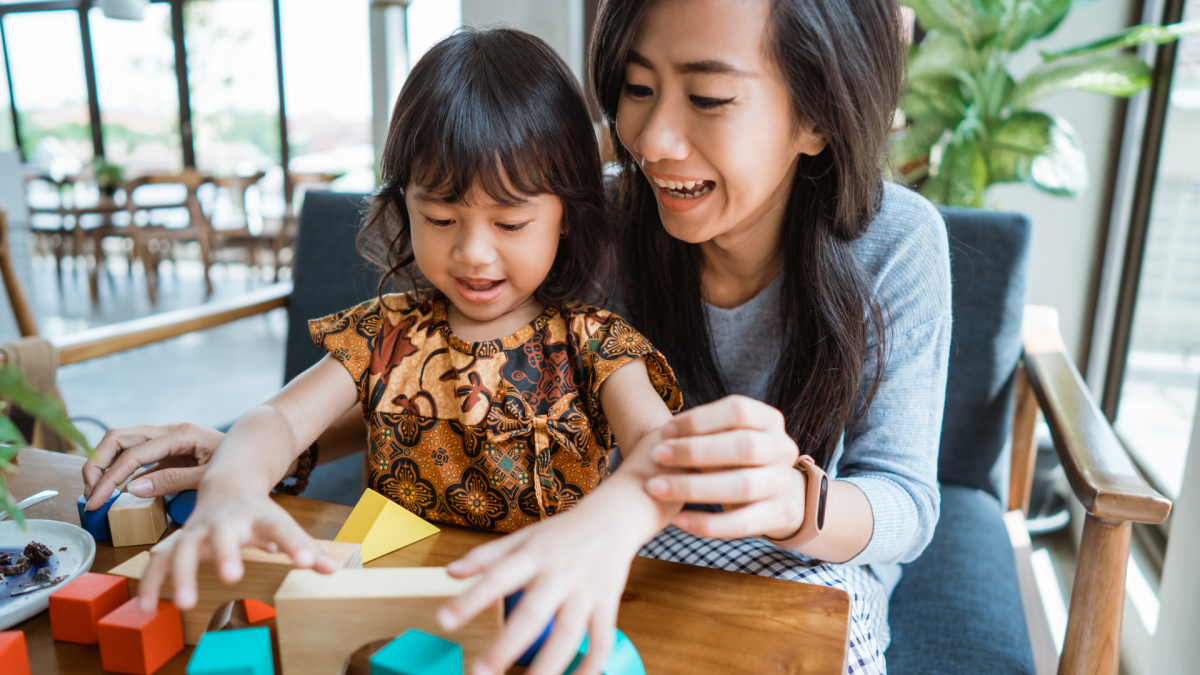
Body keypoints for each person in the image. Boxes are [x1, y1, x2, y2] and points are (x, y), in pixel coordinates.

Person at [85, 1, 950, 673]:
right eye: (637, 87)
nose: (648, 137)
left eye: (710, 95)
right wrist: (250, 451)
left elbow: (905, 503)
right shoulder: (591, 214)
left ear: (821, 114)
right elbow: (455, 376)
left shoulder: (895, 244)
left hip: (800, 556)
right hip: (600, 538)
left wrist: (799, 503)